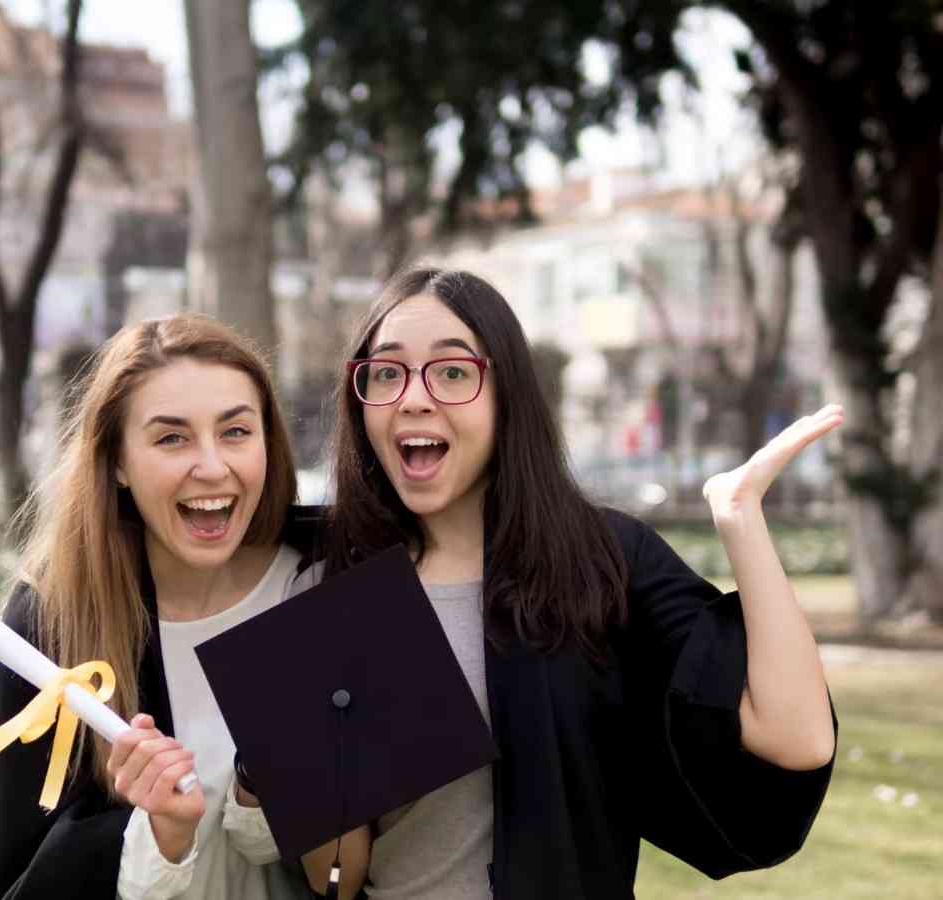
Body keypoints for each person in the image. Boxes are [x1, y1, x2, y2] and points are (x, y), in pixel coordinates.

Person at [296, 268, 839, 899]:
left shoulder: (601, 561)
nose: (414, 397)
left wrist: (740, 519)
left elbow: (796, 738)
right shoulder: (337, 594)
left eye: (452, 371)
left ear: (507, 395)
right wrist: (295, 759)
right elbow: (336, 880)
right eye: (387, 373)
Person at [0, 314, 319, 900]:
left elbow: (369, 854)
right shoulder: (52, 624)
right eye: (171, 438)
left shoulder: (324, 584)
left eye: (236, 431)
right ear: (116, 462)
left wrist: (266, 783)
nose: (212, 466)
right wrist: (158, 836)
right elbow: (19, 886)